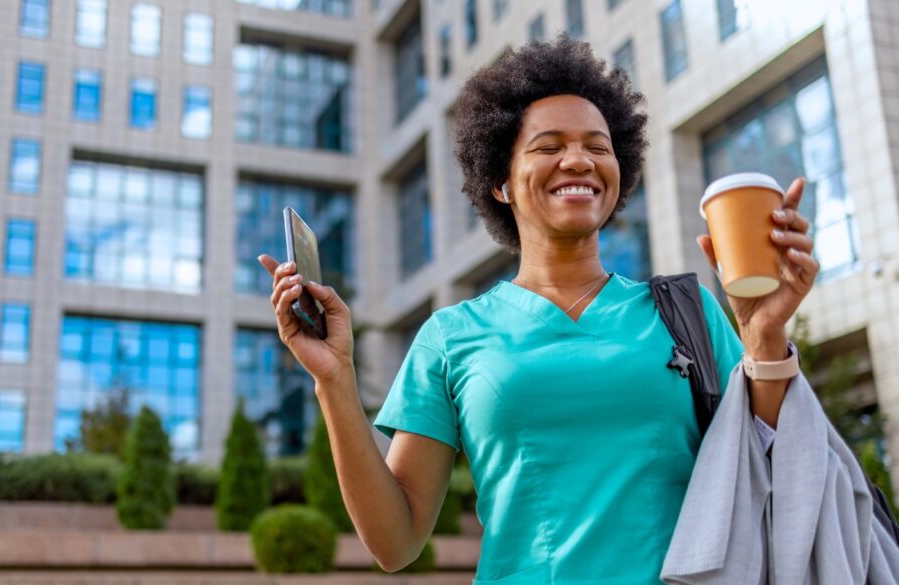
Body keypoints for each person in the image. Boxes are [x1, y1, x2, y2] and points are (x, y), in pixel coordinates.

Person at [258, 34, 819, 584]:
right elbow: (395, 543)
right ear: (500, 182)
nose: (578, 160)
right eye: (549, 146)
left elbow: (777, 470)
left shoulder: (688, 313)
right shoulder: (450, 336)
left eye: (598, 147)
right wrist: (334, 381)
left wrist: (764, 332)